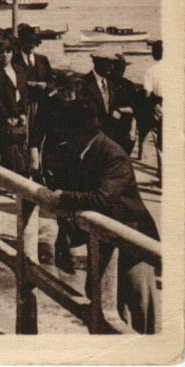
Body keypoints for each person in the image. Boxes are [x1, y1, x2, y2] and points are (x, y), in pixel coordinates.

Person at [52, 99, 160, 334]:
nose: (65, 140)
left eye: (69, 135)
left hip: (133, 241)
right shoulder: (75, 152)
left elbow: (102, 198)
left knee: (141, 305)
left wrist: (64, 196)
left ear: (84, 134)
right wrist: (64, 237)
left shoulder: (113, 154)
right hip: (102, 240)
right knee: (101, 302)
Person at [0, 39, 29, 176]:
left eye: (8, 52)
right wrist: (6, 117)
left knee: (21, 149)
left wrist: (23, 113)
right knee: (8, 152)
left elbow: (23, 93)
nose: (5, 55)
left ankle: (21, 180)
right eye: (2, 52)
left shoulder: (19, 70)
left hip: (18, 117)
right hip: (3, 119)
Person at [143, 40, 162, 182]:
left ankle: (162, 176)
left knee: (161, 143)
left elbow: (147, 95)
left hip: (160, 107)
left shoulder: (151, 70)